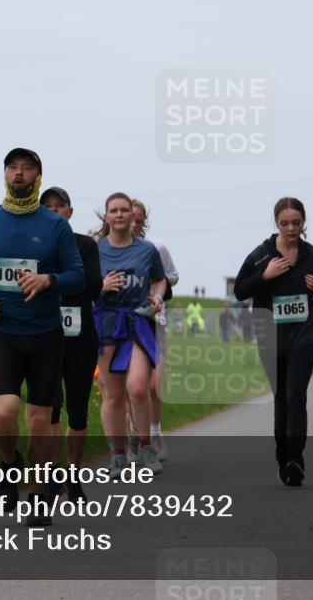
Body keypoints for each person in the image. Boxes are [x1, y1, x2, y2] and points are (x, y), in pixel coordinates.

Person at [0, 148, 85, 526]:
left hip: (46, 335)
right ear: (5, 174)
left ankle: (39, 493)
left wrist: (50, 280)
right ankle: (9, 465)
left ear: (38, 176)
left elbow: (77, 274)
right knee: (4, 411)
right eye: (13, 167)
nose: (19, 174)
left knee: (40, 423)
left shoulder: (54, 226)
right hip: (5, 335)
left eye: (27, 169)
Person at [234, 197, 313, 487]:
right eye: (285, 223)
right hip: (269, 333)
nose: (291, 228)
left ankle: (295, 459)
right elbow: (240, 291)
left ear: (304, 222)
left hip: (303, 334)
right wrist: (265, 275)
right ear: (276, 223)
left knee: (296, 396)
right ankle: (282, 458)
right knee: (281, 398)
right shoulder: (260, 255)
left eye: (296, 223)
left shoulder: (312, 254)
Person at [93, 193, 167, 478]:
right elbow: (83, 287)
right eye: (114, 210)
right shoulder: (96, 251)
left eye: (125, 210)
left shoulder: (147, 250)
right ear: (106, 217)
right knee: (113, 395)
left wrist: (157, 297)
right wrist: (101, 286)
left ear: (133, 217)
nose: (121, 215)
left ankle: (147, 447)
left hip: (138, 319)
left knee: (138, 387)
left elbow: (159, 280)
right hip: (107, 322)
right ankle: (118, 455)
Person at [39, 186, 103, 502]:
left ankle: (74, 475)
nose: (54, 211)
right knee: (50, 409)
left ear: (70, 211)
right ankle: (53, 476)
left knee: (77, 413)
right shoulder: (33, 247)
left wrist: (63, 269)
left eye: (59, 206)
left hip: (81, 339)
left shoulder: (85, 245)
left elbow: (92, 286)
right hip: (44, 339)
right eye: (47, 206)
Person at [129, 198, 179, 462]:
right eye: (130, 218)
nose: (133, 224)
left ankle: (155, 431)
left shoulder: (156, 247)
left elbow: (173, 275)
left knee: (153, 384)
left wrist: (155, 283)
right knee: (133, 384)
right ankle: (136, 432)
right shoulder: (113, 250)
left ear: (143, 222)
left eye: (138, 219)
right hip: (125, 323)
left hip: (154, 322)